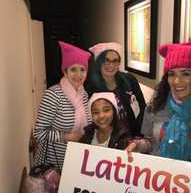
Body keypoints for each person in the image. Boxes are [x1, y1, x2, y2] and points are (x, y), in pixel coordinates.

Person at [127, 40, 191, 163]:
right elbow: (150, 142)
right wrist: (137, 145)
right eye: (172, 74)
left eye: (185, 74)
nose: (177, 81)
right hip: (158, 177)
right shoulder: (154, 107)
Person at [33, 41, 92, 170]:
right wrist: (66, 137)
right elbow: (38, 133)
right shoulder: (53, 95)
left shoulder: (84, 95)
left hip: (76, 159)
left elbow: (87, 125)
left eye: (82, 69)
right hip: (52, 164)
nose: (78, 75)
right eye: (73, 70)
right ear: (65, 72)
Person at [85, 42, 146, 137]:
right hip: (106, 139)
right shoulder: (90, 87)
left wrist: (138, 133)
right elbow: (89, 117)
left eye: (115, 61)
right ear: (99, 62)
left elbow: (142, 107)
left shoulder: (130, 80)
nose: (111, 65)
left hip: (131, 136)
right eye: (106, 60)